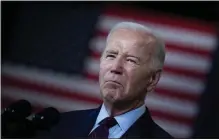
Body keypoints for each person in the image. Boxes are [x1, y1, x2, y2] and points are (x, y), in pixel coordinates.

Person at [36, 21, 173, 138]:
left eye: (131, 60)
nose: (115, 67)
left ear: (153, 79)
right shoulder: (60, 126)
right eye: (111, 56)